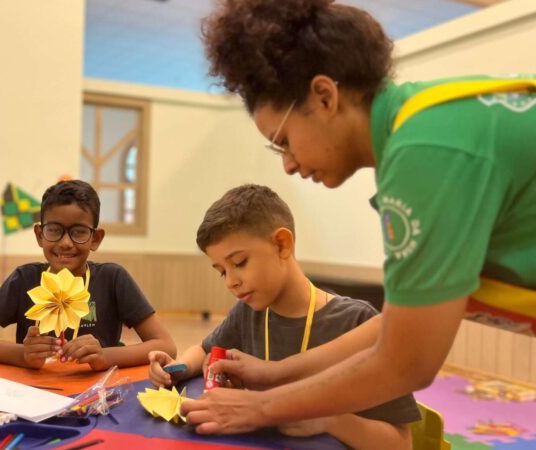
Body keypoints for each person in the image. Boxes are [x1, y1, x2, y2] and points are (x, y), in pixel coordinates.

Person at [181, 0, 536, 435]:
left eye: (284, 141)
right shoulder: (424, 123)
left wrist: (262, 408)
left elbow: (406, 362)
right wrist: (278, 374)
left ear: (325, 97)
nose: (288, 164)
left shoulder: (425, 154)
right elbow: (399, 325)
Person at [149, 184, 418, 448]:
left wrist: (330, 420)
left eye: (240, 262)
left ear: (282, 244)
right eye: (221, 271)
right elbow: (204, 349)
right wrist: (177, 368)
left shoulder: (355, 321)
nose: (231, 282)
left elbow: (400, 443)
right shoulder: (249, 312)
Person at [0, 180, 176, 370]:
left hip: (94, 394)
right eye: (54, 230)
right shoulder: (25, 279)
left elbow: (166, 345)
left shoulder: (113, 279)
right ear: (40, 235)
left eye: (79, 232)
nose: (66, 243)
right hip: (35, 392)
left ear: (96, 238)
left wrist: (105, 357)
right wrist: (21, 354)